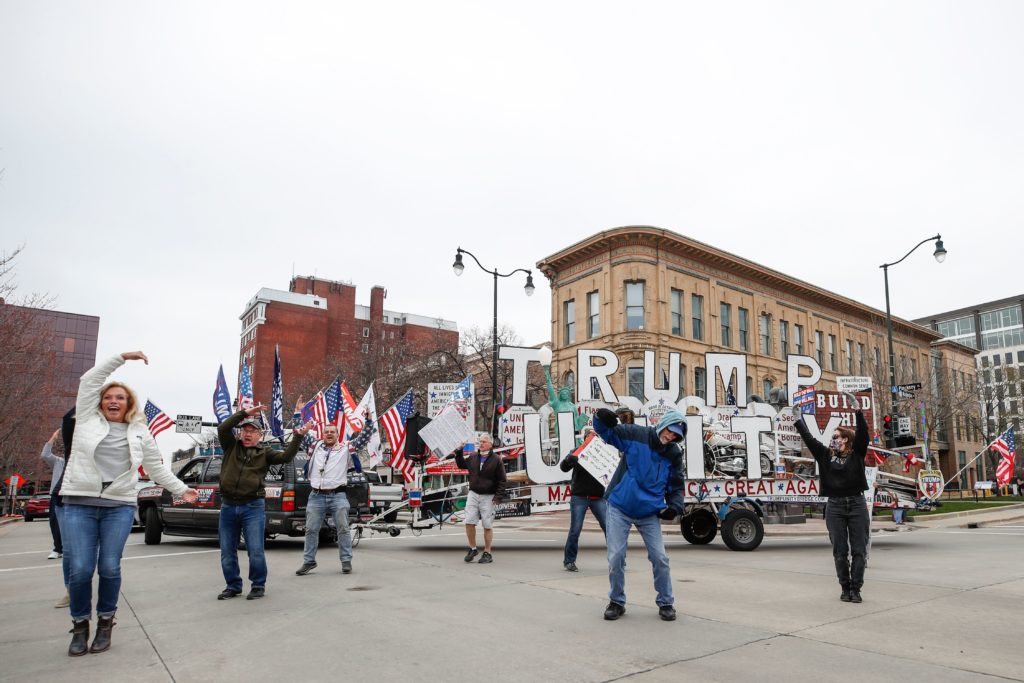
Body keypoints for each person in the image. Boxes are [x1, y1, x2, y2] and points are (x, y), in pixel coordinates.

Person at [59, 352, 199, 656]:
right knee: (81, 569)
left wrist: (181, 489)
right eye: (108, 396)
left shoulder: (140, 433)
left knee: (109, 567)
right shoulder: (86, 419)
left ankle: (106, 621)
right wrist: (121, 358)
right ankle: (80, 625)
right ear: (100, 401)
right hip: (79, 504)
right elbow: (88, 380)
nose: (113, 400)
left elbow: (157, 468)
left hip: (118, 506)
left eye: (120, 397)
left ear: (128, 403)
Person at [593, 407, 686, 622]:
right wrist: (600, 417)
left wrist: (675, 506)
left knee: (660, 558)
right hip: (620, 507)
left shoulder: (673, 453)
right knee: (616, 557)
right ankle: (616, 601)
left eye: (676, 435)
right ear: (663, 425)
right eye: (670, 430)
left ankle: (666, 602)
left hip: (649, 512)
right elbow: (607, 433)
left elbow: (676, 483)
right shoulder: (636, 434)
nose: (670, 436)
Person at [217, 404, 311, 601]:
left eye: (253, 431)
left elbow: (286, 456)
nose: (248, 434)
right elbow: (223, 428)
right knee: (227, 550)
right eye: (245, 430)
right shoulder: (230, 446)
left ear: (260, 435)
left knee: (255, 549)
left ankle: (258, 585)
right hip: (227, 506)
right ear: (240, 433)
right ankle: (233, 585)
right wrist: (244, 414)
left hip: (253, 506)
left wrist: (298, 436)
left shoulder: (265, 453)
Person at [792, 392, 870, 603]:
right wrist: (797, 420)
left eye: (835, 437)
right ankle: (845, 588)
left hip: (857, 504)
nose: (832, 440)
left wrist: (857, 410)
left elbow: (864, 435)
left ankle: (856, 589)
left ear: (846, 440)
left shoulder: (857, 454)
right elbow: (809, 439)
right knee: (840, 552)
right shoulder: (825, 455)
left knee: (860, 551)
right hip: (834, 506)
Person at [295, 409, 376, 576]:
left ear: (338, 435)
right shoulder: (315, 445)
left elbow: (364, 437)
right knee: (310, 529)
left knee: (343, 529)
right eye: (326, 432)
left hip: (338, 495)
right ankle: (309, 561)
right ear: (322, 434)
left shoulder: (347, 447)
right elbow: (300, 432)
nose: (329, 434)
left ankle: (346, 561)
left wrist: (368, 421)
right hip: (316, 495)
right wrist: (297, 414)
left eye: (332, 432)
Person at [559, 426, 608, 572]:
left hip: (597, 497)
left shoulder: (603, 454)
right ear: (585, 439)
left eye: (596, 437)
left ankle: (617, 558)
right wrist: (570, 459)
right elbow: (563, 467)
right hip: (579, 496)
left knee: (609, 528)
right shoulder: (576, 452)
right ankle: (569, 561)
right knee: (575, 529)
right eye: (591, 437)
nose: (593, 439)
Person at [455, 433, 507, 564]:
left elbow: (502, 480)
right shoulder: (473, 457)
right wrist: (459, 450)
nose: (481, 443)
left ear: (490, 444)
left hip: (488, 497)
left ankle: (487, 552)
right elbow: (461, 465)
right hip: (473, 494)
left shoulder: (496, 459)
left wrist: (498, 497)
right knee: (469, 522)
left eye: (484, 441)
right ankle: (472, 548)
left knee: (487, 525)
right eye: (480, 441)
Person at [40, 429, 65, 560]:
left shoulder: (79, 462)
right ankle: (57, 549)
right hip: (56, 495)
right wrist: (53, 438)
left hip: (73, 495)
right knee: (55, 522)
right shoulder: (58, 461)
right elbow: (45, 455)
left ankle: (68, 548)